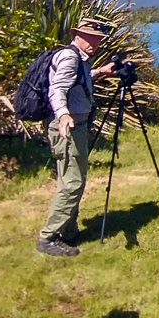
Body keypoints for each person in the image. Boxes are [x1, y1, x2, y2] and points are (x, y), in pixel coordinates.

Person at [37, 18, 117, 257]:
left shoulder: (79, 58)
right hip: (68, 127)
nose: (96, 42)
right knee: (72, 182)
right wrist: (63, 115)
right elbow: (58, 88)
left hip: (76, 125)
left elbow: (77, 80)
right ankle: (48, 236)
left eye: (99, 38)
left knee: (73, 177)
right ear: (77, 35)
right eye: (91, 37)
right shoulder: (71, 57)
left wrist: (99, 72)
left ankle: (69, 230)